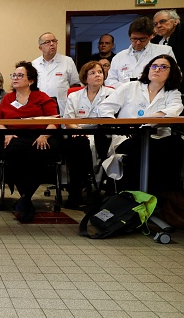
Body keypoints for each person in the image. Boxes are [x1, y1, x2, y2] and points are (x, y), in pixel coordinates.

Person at [99, 54, 184, 196]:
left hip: (159, 138)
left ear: (171, 72)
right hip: (128, 138)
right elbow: (104, 107)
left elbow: (175, 110)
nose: (157, 69)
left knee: (176, 144)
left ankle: (164, 199)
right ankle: (134, 197)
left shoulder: (172, 93)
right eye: (154, 66)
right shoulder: (130, 87)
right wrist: (117, 125)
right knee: (140, 147)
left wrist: (146, 118)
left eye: (163, 67)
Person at [0, 61, 61, 223]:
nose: (15, 78)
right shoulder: (8, 98)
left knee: (41, 151)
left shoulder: (42, 97)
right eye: (14, 75)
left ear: (30, 80)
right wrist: (7, 133)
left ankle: (25, 198)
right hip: (16, 137)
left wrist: (44, 135)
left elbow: (55, 121)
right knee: (13, 151)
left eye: (20, 75)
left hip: (39, 136)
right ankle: (27, 199)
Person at [62, 61, 114, 209]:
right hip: (79, 132)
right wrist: (78, 131)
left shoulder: (112, 94)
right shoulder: (75, 96)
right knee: (79, 145)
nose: (98, 75)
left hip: (102, 132)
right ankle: (82, 191)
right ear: (85, 78)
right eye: (93, 73)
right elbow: (68, 120)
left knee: (98, 144)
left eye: (100, 72)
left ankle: (92, 187)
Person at [106, 17, 175, 89]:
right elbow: (110, 81)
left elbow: (175, 76)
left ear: (150, 36)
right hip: (126, 97)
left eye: (142, 39)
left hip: (156, 96)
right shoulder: (119, 57)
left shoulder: (164, 51)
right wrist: (127, 87)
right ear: (130, 36)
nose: (138, 42)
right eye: (134, 39)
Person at [32, 32, 80, 116]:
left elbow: (75, 85)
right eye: (47, 42)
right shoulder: (34, 64)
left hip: (62, 106)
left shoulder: (67, 61)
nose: (52, 44)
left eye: (54, 41)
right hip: (39, 106)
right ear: (40, 47)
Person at [151, 10, 183, 77]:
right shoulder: (154, 41)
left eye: (162, 21)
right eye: (155, 24)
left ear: (175, 21)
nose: (158, 26)